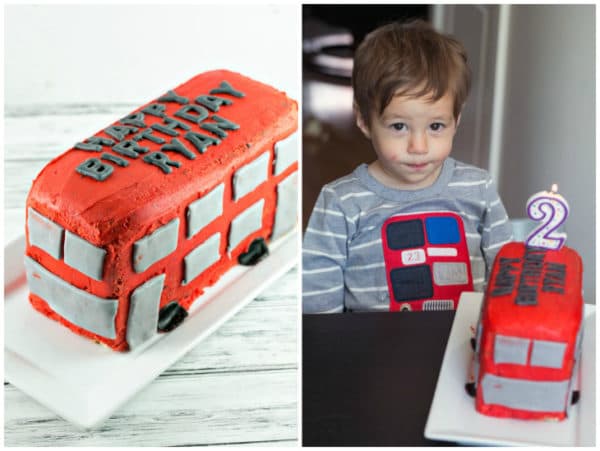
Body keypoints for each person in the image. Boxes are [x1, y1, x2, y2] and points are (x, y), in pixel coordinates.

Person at [302, 19, 513, 313]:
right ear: (364, 120)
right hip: (374, 350)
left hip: (464, 342)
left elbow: (507, 270)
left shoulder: (478, 188)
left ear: (457, 120)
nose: (419, 147)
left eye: (436, 126)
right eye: (399, 126)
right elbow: (317, 298)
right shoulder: (341, 201)